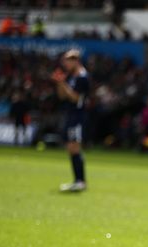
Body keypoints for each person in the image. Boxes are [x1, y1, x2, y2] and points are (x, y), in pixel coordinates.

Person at [52, 49, 90, 192]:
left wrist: (63, 84)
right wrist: (60, 83)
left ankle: (80, 181)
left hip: (78, 115)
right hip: (70, 114)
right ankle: (78, 180)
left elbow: (76, 98)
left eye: (68, 61)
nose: (65, 64)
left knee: (74, 147)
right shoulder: (71, 76)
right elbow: (62, 96)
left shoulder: (82, 77)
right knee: (71, 148)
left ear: (76, 61)